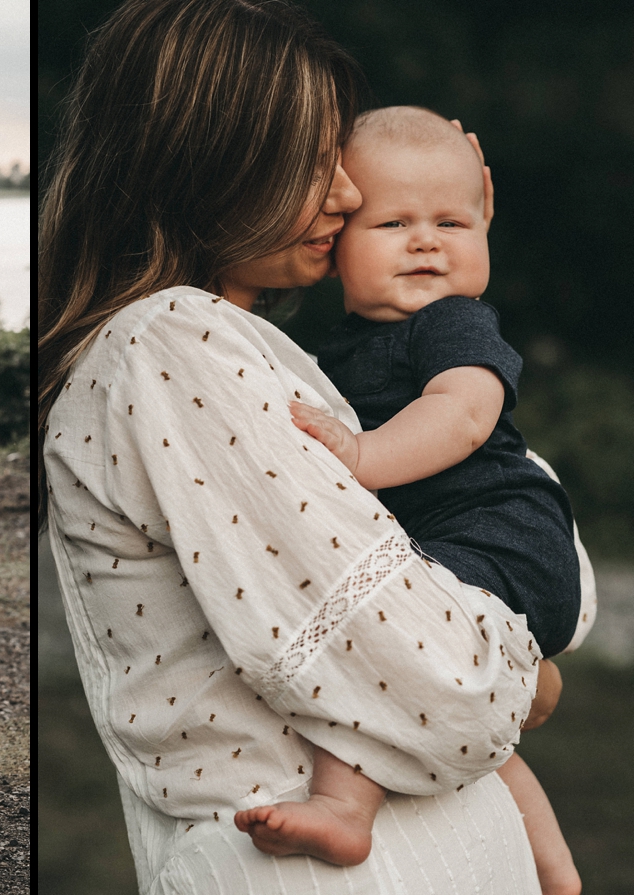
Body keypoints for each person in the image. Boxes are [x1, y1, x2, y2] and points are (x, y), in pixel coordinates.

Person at [38, 1, 590, 892]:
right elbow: (442, 672)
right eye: (315, 163)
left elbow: (526, 532)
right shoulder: (172, 343)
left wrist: (457, 211)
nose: (347, 195)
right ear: (214, 165)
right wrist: (532, 678)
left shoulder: (263, 350)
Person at [238, 105, 584, 895]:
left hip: (497, 530)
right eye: (394, 222)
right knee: (464, 726)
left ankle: (343, 805)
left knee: (385, 648)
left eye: (452, 220)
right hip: (457, 539)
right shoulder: (335, 349)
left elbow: (463, 413)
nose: (427, 240)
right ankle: (553, 866)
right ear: (335, 247)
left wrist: (361, 454)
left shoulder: (453, 324)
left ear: (487, 212)